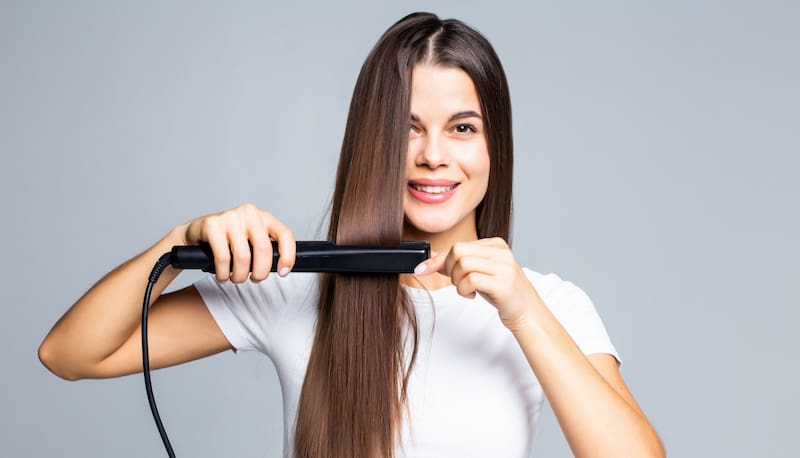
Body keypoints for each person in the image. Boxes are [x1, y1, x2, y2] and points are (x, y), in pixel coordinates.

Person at [39, 12, 665, 458]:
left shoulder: (551, 306)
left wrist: (525, 313)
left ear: (494, 144)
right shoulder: (295, 289)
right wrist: (177, 243)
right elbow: (69, 354)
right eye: (408, 128)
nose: (432, 156)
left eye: (462, 128)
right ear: (375, 143)